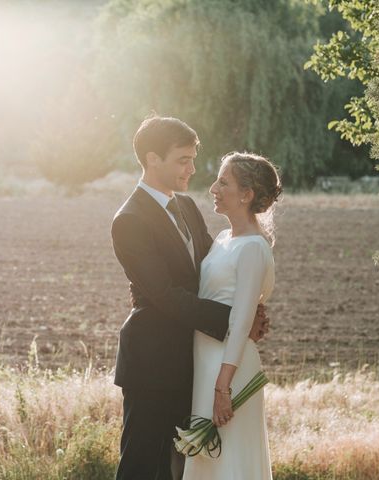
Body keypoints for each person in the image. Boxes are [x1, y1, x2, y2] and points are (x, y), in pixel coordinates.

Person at [111, 115, 270, 480]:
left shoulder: (186, 207)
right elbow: (165, 295)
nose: (192, 168)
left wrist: (248, 312)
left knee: (183, 467)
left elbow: (210, 275)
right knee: (141, 465)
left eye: (193, 158)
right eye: (183, 159)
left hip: (195, 361)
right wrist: (231, 321)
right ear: (153, 159)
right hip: (151, 362)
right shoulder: (129, 220)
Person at [183, 151, 281, 479]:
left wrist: (222, 388)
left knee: (230, 462)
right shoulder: (225, 239)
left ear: (246, 195)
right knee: (208, 464)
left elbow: (241, 321)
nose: (213, 188)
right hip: (206, 364)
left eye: (223, 182)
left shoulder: (253, 247)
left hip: (229, 371)